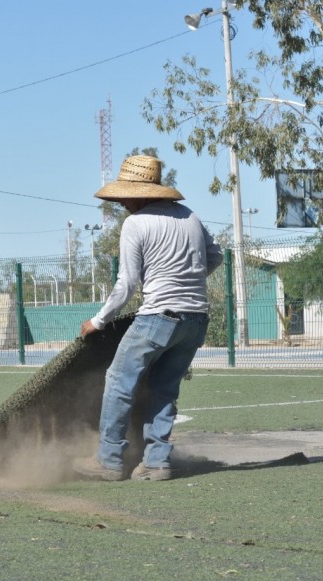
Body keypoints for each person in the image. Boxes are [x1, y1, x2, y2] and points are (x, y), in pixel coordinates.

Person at [72, 155, 223, 482]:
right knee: (164, 389)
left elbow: (126, 283)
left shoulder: (136, 224)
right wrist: (188, 280)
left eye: (126, 194)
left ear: (140, 192)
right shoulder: (190, 217)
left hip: (158, 317)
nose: (123, 201)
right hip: (196, 320)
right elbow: (216, 256)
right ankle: (156, 463)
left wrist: (98, 321)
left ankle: (109, 459)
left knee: (118, 382)